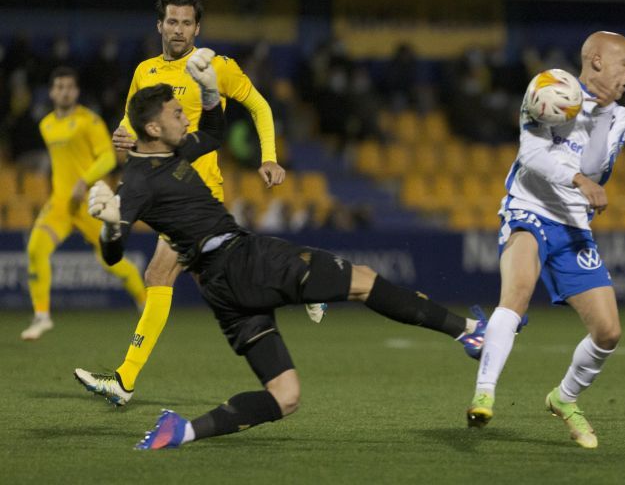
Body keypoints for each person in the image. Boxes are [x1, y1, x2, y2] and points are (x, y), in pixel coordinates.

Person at [76, 52, 486, 449]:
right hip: (243, 261)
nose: (185, 116)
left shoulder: (175, 150)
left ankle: (182, 432)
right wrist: (111, 228)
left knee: (286, 396)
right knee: (363, 281)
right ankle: (467, 333)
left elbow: (215, 133)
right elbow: (113, 255)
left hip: (223, 292)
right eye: (176, 113)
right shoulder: (136, 183)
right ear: (151, 128)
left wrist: (208, 92)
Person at [76, 0, 321, 403]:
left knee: (161, 275)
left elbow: (259, 105)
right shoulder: (144, 72)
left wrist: (270, 157)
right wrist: (123, 135)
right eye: (172, 22)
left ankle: (124, 380)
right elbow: (132, 123)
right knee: (224, 278)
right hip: (162, 189)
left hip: (194, 191)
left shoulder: (214, 66)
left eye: (186, 23)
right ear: (159, 25)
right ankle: (305, 282)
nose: (178, 29)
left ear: (197, 28)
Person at [466, 32, 625, 449]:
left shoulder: (621, 117)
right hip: (529, 209)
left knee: (608, 333)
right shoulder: (549, 88)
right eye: (624, 62)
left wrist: (600, 115)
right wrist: (577, 179)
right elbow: (532, 155)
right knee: (517, 293)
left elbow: (594, 169)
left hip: (573, 225)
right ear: (595, 60)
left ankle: (565, 398)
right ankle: (484, 392)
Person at [21, 67, 146, 340]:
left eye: (70, 87)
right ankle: (42, 316)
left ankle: (143, 301)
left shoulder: (89, 121)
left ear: (76, 91)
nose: (65, 91)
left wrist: (83, 180)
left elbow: (108, 159)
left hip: (90, 201)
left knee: (110, 263)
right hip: (61, 205)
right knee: (35, 250)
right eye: (60, 87)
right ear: (52, 92)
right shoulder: (46, 125)